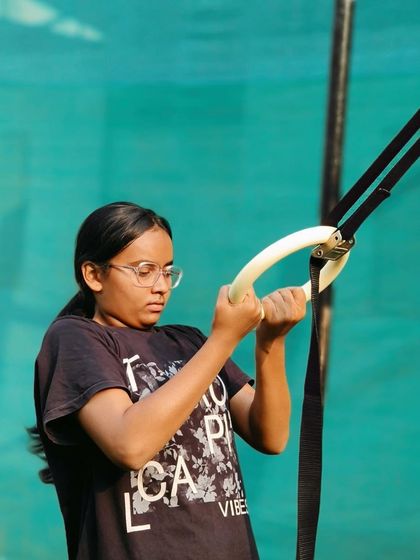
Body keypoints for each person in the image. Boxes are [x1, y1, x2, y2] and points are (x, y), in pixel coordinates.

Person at [33, 201, 306, 560]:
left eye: (167, 271)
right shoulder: (74, 339)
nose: (161, 286)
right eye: (144, 271)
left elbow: (270, 435)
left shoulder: (189, 342)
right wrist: (224, 339)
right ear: (93, 275)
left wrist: (270, 341)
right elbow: (129, 444)